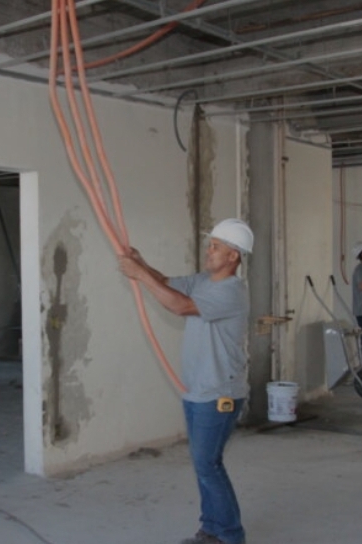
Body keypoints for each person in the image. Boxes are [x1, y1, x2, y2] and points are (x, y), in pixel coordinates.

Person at [117, 218, 252, 544]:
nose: (209, 251)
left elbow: (180, 306)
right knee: (204, 464)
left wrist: (137, 275)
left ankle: (230, 535)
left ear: (233, 256)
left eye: (216, 247)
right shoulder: (204, 280)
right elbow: (167, 283)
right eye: (211, 244)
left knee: (208, 465)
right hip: (197, 390)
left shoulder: (232, 291)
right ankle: (211, 528)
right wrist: (142, 263)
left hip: (219, 392)